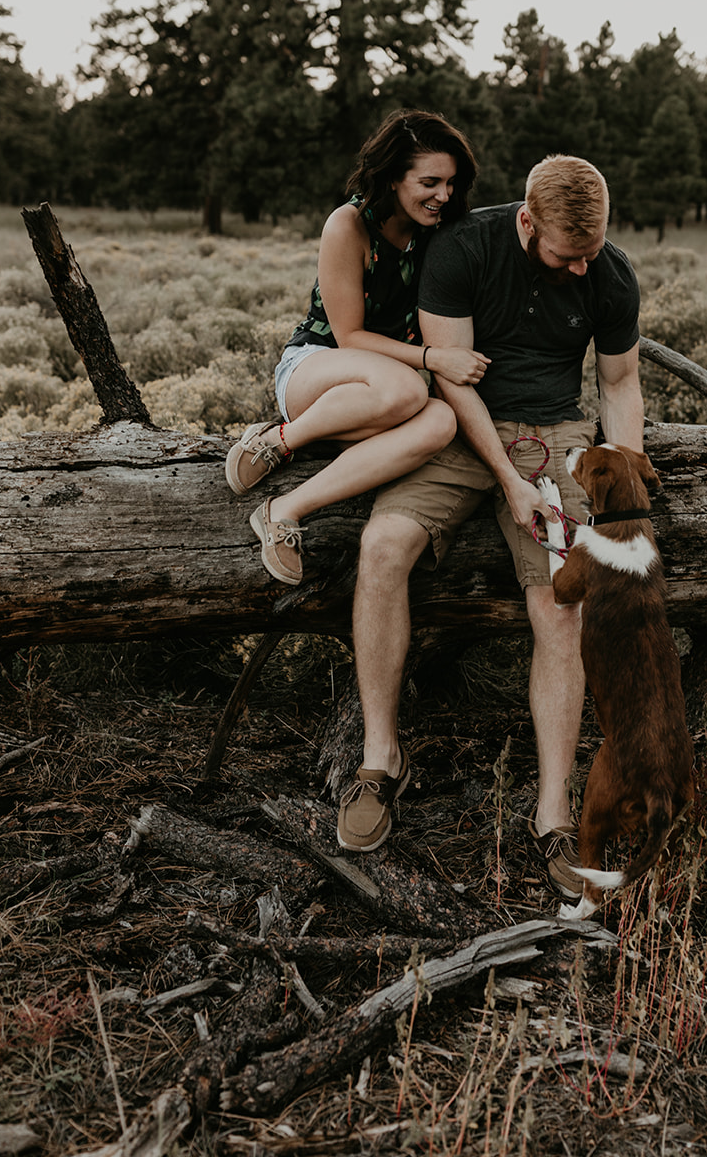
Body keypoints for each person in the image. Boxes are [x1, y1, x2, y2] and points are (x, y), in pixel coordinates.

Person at [337, 154, 644, 900]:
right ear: (527, 221)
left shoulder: (607, 270)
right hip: (460, 430)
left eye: (590, 254)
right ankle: (379, 761)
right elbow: (449, 378)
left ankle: (553, 815)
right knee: (381, 547)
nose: (580, 269)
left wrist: (623, 479)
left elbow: (618, 381)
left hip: (557, 437)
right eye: (565, 255)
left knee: (559, 605)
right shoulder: (464, 246)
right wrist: (507, 481)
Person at [225, 109, 489, 584]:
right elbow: (351, 338)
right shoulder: (348, 225)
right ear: (391, 177)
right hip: (317, 369)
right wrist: (435, 358)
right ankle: (276, 441)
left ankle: (285, 510)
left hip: (377, 400)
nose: (443, 196)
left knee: (442, 422)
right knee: (409, 391)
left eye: (450, 184)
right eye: (430, 182)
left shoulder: (440, 234)